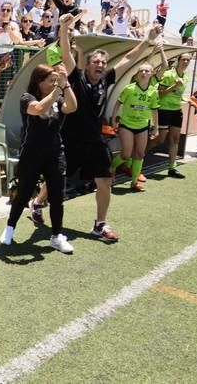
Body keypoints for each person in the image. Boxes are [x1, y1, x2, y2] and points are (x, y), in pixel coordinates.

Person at [59, 12, 162, 241]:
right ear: (87, 65)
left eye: (103, 63)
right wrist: (64, 30)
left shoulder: (106, 79)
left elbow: (130, 59)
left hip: (94, 141)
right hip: (71, 139)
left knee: (104, 180)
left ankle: (100, 224)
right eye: (96, 62)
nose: (100, 65)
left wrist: (147, 40)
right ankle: (37, 202)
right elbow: (66, 55)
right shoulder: (76, 77)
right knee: (57, 180)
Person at [0, 63, 77, 252]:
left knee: (57, 195)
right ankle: (10, 228)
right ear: (39, 82)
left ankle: (57, 235)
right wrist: (58, 89)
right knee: (24, 193)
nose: (54, 83)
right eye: (51, 80)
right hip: (31, 154)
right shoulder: (27, 98)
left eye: (55, 80)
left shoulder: (57, 99)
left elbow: (73, 107)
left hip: (55, 154)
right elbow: (38, 109)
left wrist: (66, 85)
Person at [109, 45, 165, 191]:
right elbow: (118, 103)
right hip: (126, 124)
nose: (144, 73)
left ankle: (134, 182)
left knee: (140, 154)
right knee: (126, 154)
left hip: (143, 126)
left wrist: (156, 128)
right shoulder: (129, 88)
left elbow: (154, 110)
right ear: (138, 73)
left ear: (152, 74)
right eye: (141, 70)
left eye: (147, 71)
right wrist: (114, 118)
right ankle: (112, 167)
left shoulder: (153, 91)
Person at [149, 53, 191, 178]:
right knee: (159, 139)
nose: (185, 62)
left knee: (175, 139)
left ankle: (172, 168)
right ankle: (137, 157)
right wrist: (174, 86)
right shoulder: (168, 74)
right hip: (164, 110)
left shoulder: (186, 76)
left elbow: (178, 93)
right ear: (178, 61)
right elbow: (160, 94)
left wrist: (186, 99)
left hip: (176, 110)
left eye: (188, 60)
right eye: (183, 59)